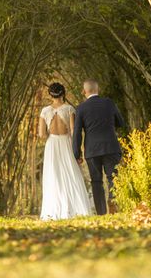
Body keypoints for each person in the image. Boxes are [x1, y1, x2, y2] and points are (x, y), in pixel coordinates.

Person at [39, 82, 92, 220]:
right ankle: (75, 208)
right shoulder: (69, 109)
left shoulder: (45, 111)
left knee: (53, 175)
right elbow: (74, 131)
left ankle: (55, 210)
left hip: (52, 145)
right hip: (66, 143)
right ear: (63, 93)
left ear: (50, 95)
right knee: (71, 173)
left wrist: (50, 134)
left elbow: (42, 134)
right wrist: (77, 150)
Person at [73, 79, 125, 215]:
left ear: (84, 92)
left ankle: (101, 212)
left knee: (96, 181)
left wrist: (76, 153)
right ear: (98, 89)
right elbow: (121, 122)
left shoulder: (81, 108)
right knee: (113, 177)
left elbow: (77, 133)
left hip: (92, 150)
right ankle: (113, 202)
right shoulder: (109, 103)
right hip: (110, 146)